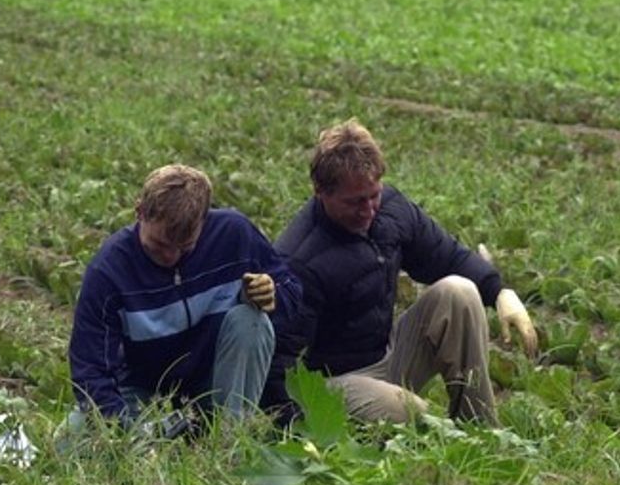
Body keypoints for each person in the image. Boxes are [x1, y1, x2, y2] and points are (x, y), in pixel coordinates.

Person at [272, 119, 539, 425]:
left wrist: (500, 292)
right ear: (321, 191)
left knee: (459, 291)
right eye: (355, 201)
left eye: (374, 195)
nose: (369, 209)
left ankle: (482, 430)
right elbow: (279, 359)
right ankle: (425, 429)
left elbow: (444, 255)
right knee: (414, 414)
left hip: (388, 356)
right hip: (334, 383)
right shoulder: (301, 259)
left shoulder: (391, 210)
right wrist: (296, 426)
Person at [67, 164, 299, 436]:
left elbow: (292, 290)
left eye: (185, 247)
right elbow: (89, 369)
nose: (171, 257)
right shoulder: (109, 271)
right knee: (76, 436)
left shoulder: (234, 235)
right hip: (142, 390)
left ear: (204, 221)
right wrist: (124, 431)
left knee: (251, 319)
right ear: (139, 212)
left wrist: (274, 296)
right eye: (158, 246)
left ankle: (229, 440)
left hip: (216, 384)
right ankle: (155, 439)